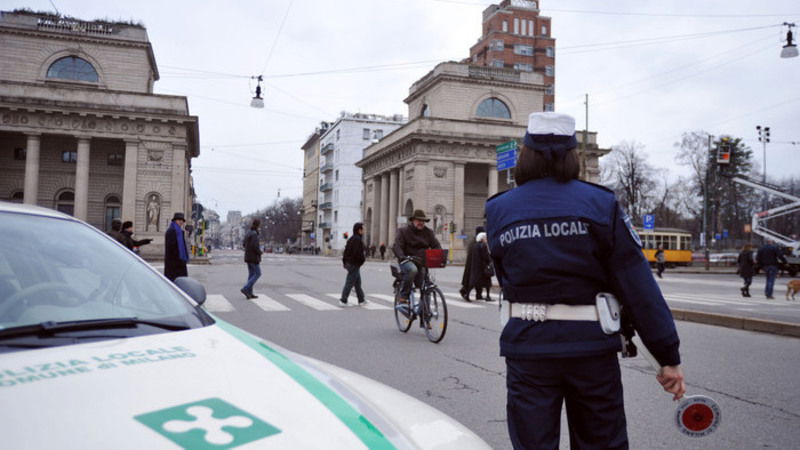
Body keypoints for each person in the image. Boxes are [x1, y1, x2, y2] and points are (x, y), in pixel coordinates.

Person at [485, 112, 685, 449]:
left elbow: (506, 276)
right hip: (590, 349)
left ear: (527, 154)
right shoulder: (600, 203)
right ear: (572, 154)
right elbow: (637, 286)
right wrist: (667, 355)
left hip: (528, 347)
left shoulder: (499, 209)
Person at [392, 210, 442, 306]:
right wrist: (402, 257)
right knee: (412, 270)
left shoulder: (428, 232)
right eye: (418, 220)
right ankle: (403, 296)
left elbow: (436, 245)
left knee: (426, 285)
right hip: (407, 260)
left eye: (423, 221)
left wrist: (439, 255)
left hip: (422, 261)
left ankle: (425, 311)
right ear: (413, 221)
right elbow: (397, 246)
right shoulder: (404, 231)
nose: (421, 223)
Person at [339, 222, 367, 306]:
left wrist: (345, 262)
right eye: (363, 229)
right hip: (353, 264)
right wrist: (362, 260)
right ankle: (343, 300)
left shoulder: (352, 238)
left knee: (357, 283)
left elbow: (346, 251)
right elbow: (357, 253)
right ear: (359, 230)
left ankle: (361, 300)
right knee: (350, 282)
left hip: (351, 263)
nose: (364, 231)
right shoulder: (357, 240)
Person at [460, 226, 485, 300]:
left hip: (475, 264)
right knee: (472, 279)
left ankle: (478, 294)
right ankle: (465, 292)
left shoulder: (474, 241)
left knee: (478, 280)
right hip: (473, 265)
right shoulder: (476, 242)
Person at [467, 232, 493, 301]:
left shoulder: (475, 245)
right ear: (482, 238)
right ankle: (488, 296)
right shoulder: (483, 245)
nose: (486, 239)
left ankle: (467, 294)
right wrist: (489, 262)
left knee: (473, 282)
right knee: (488, 282)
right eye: (485, 238)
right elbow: (486, 256)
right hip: (483, 267)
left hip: (476, 267)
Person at [240, 219, 262, 299]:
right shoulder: (254, 234)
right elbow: (255, 246)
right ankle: (246, 288)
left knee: (251, 274)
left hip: (248, 257)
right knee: (258, 273)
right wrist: (259, 252)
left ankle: (249, 293)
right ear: (258, 225)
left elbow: (244, 244)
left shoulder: (248, 233)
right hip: (253, 257)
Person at [164, 212, 189, 281]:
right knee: (175, 283)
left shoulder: (180, 232)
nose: (181, 222)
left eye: (182, 221)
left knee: (181, 282)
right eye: (179, 220)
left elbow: (183, 246)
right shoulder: (171, 231)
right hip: (173, 263)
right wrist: (178, 260)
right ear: (175, 221)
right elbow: (170, 248)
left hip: (179, 262)